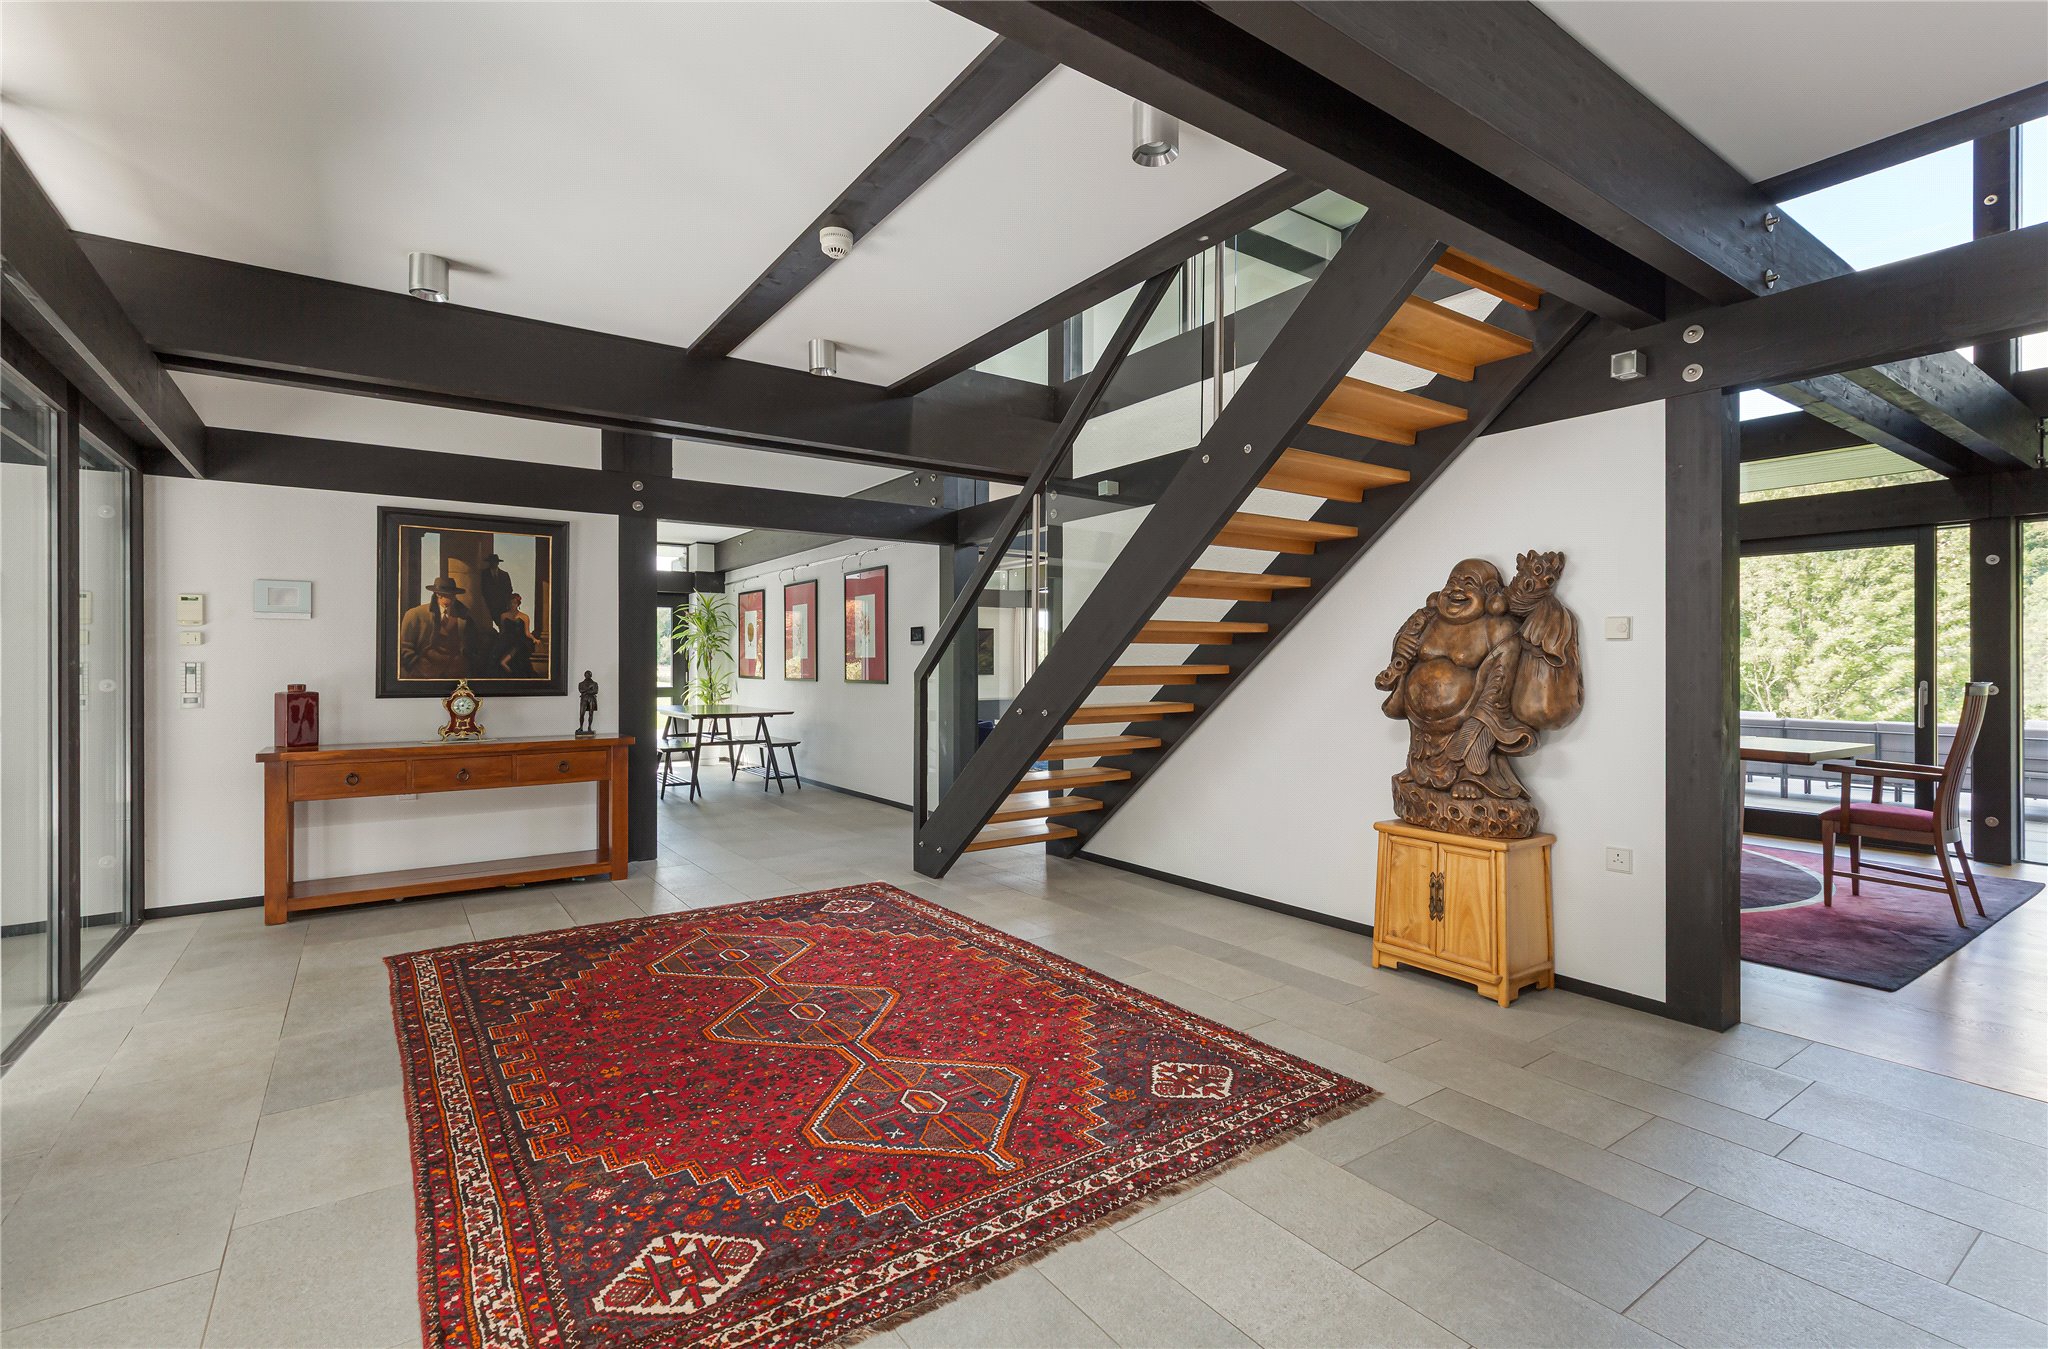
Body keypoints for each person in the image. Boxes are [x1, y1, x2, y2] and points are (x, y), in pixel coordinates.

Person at [400, 578, 473, 679]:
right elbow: (405, 647)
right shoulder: (415, 615)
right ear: (438, 594)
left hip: (455, 673)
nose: (452, 597)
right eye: (448, 594)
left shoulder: (464, 617)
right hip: (425, 672)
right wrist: (418, 667)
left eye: (453, 594)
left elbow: (472, 646)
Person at [492, 592, 536, 677]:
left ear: (518, 604)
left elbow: (527, 632)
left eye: (514, 603)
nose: (512, 605)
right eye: (511, 603)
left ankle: (508, 669)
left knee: (517, 647)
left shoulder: (525, 617)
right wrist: (498, 640)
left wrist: (534, 639)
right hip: (506, 639)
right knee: (497, 655)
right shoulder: (503, 615)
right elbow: (502, 631)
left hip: (519, 640)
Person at [576, 670, 599, 736]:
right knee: (581, 713)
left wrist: (585, 692)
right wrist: (589, 689)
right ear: (584, 675)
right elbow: (580, 690)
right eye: (586, 674)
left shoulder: (594, 683)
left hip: (591, 699)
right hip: (584, 699)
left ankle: (589, 727)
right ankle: (581, 727)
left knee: (591, 713)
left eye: (589, 674)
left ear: (591, 675)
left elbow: (595, 691)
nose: (587, 676)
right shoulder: (581, 683)